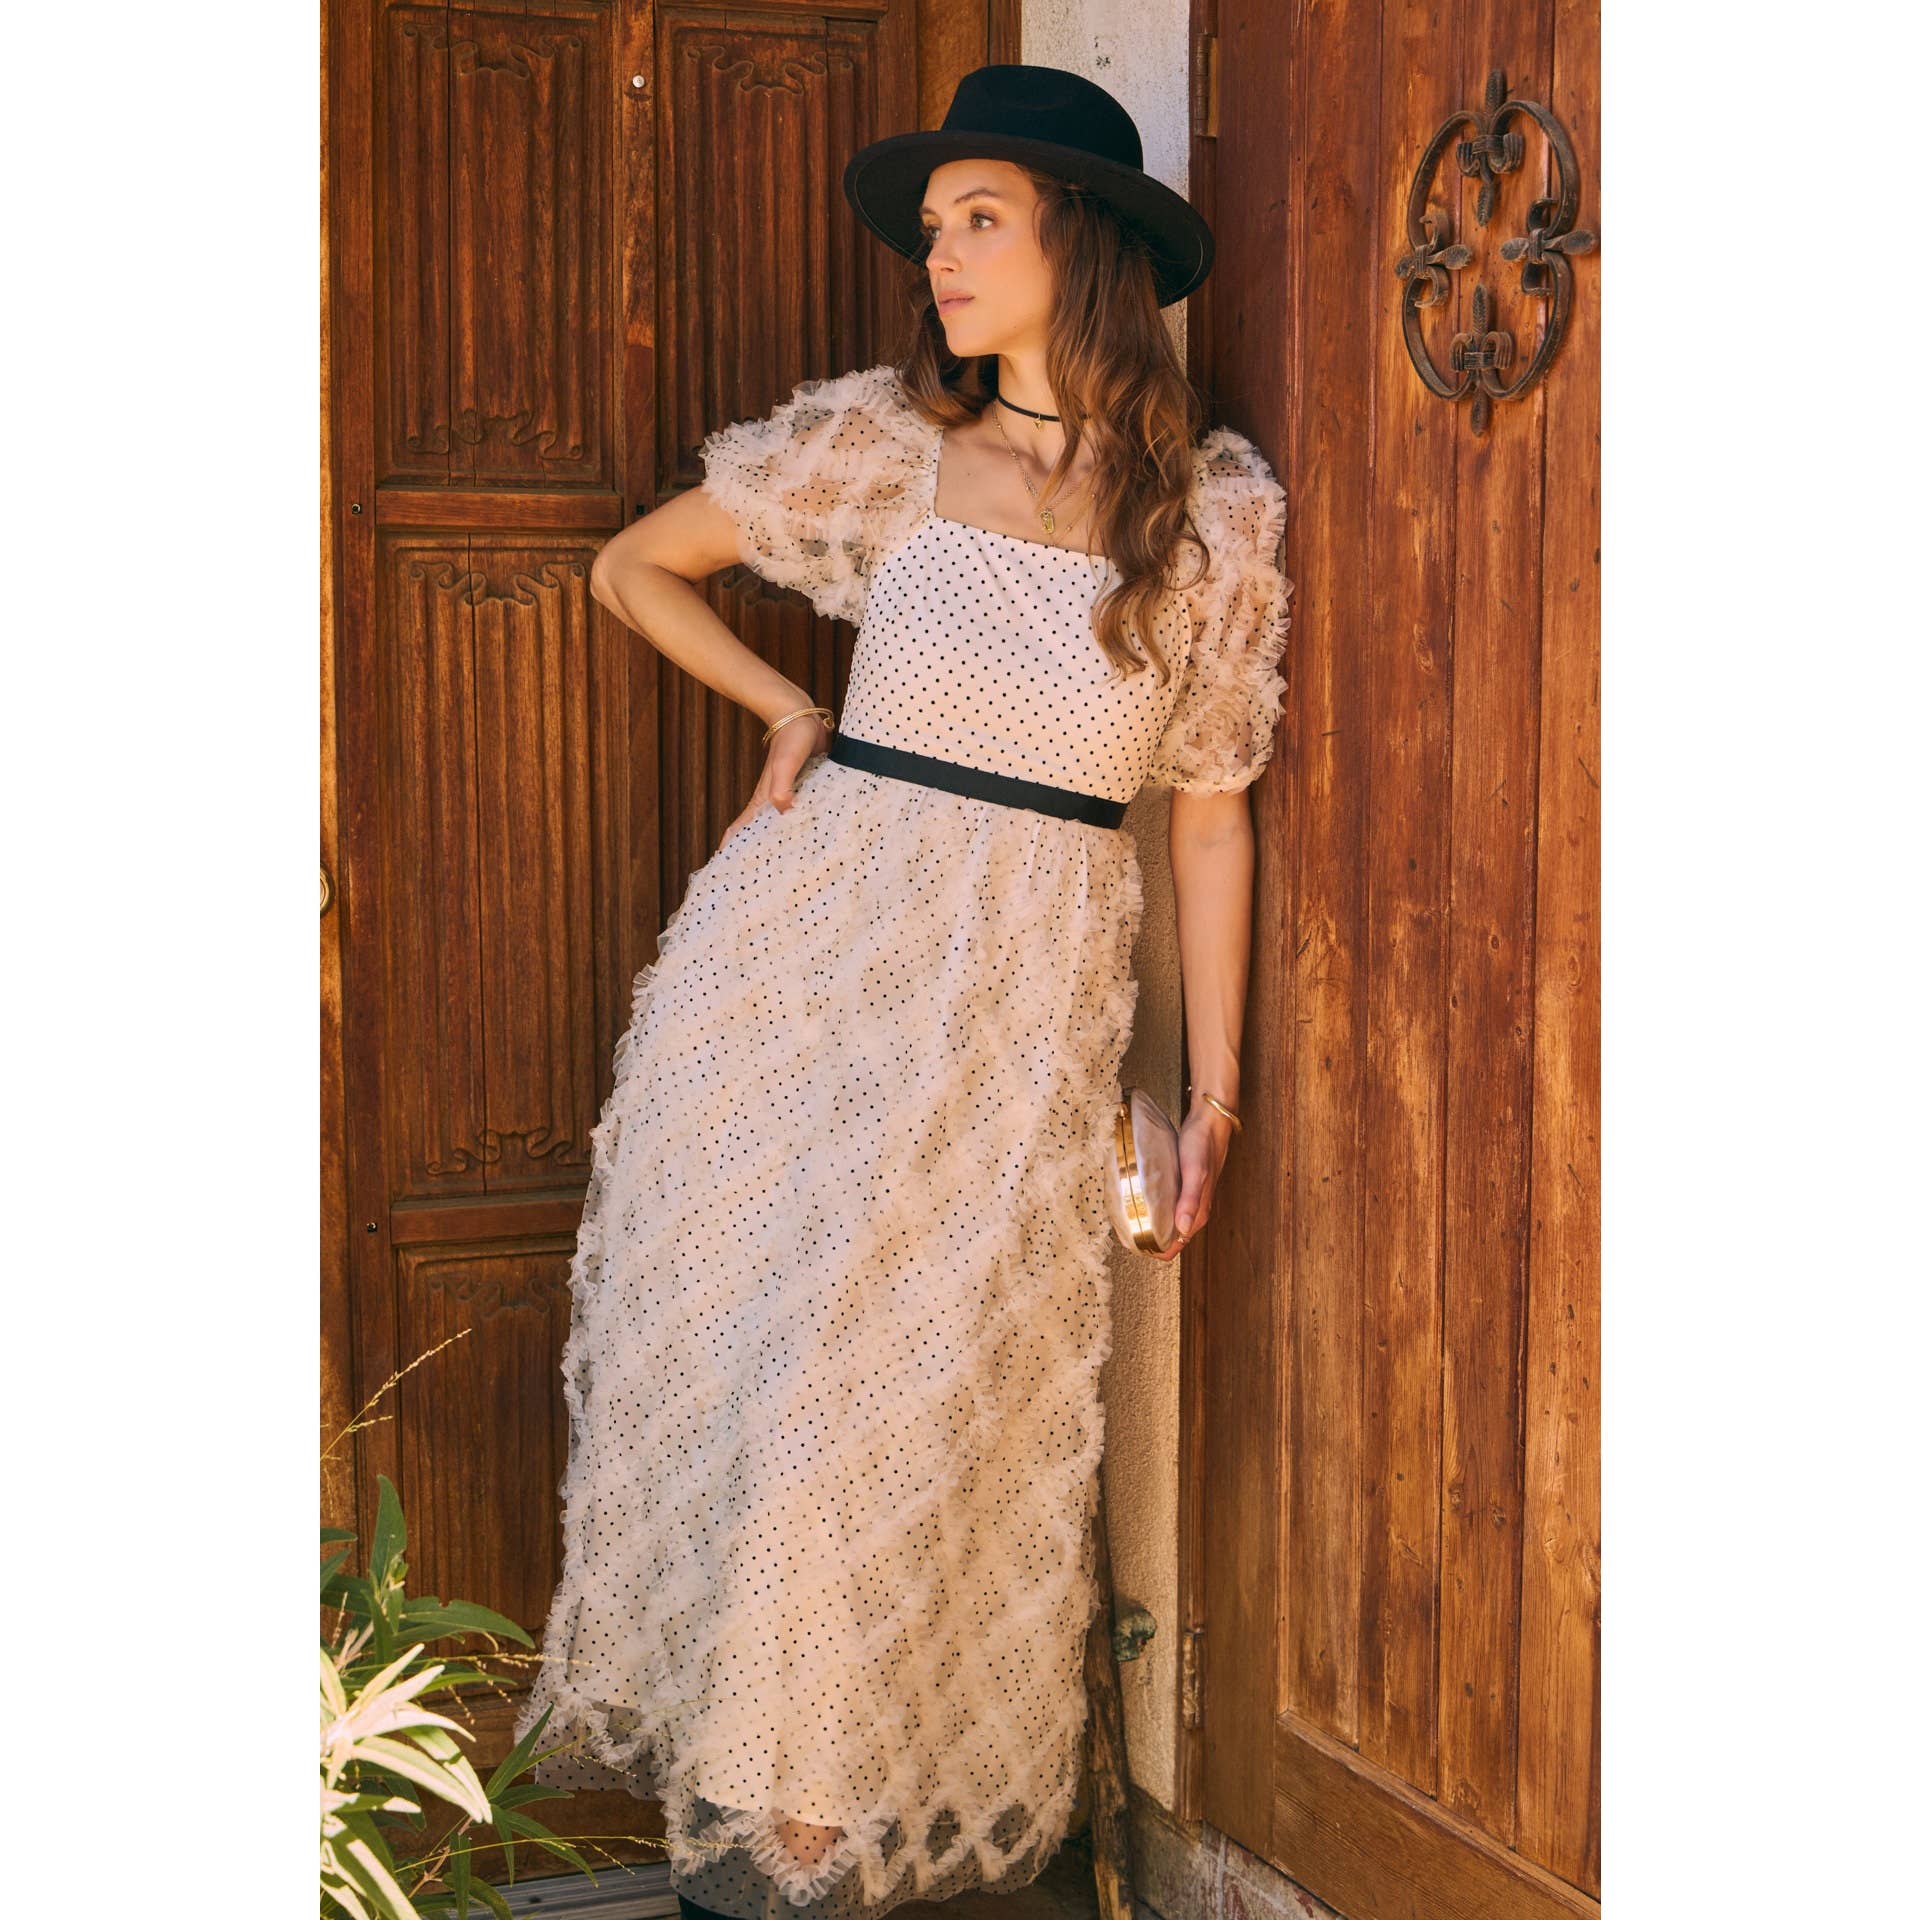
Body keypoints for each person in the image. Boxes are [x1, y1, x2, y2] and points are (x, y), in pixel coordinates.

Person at [512, 61, 1293, 1920]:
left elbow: (1205, 827)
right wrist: (790, 702)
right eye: (932, 227)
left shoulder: (1209, 512)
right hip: (807, 979)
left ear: (1081, 243)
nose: (937, 260)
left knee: (910, 1422)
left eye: (979, 220)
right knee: (769, 1400)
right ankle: (763, 1870)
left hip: (1021, 1022)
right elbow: (639, 568)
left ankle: (793, 1854)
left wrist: (1211, 1095)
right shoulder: (883, 451)